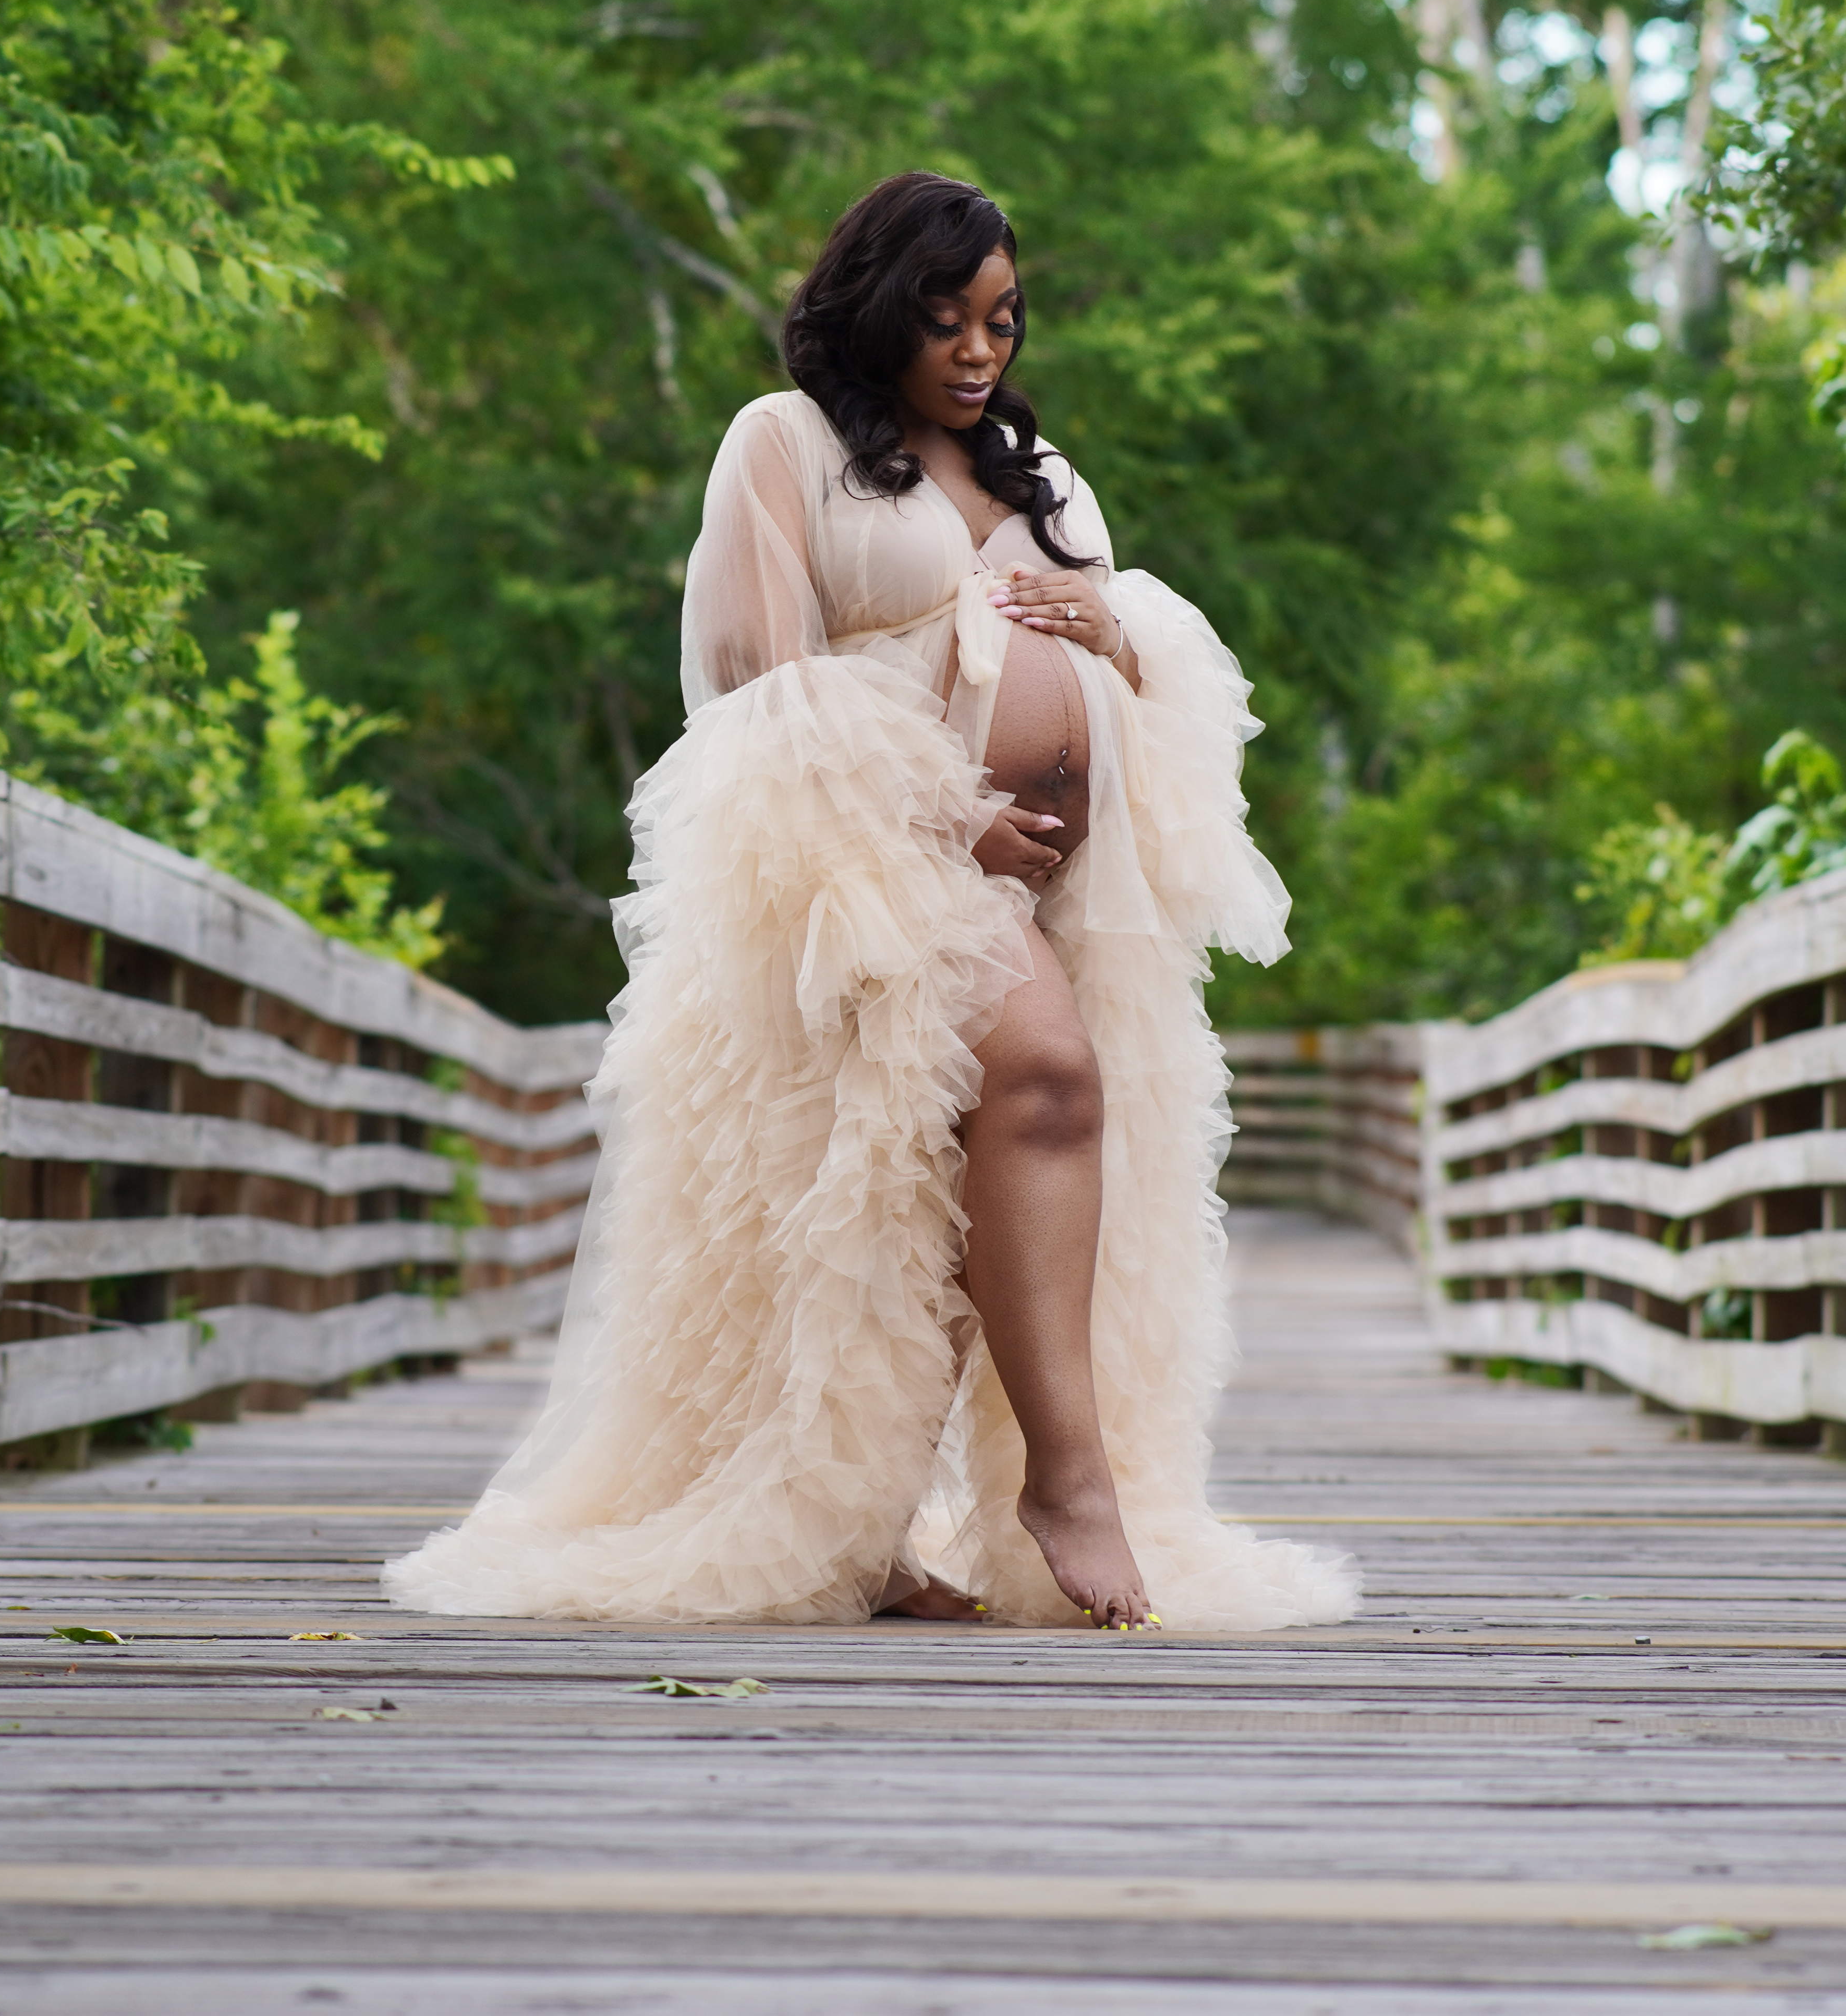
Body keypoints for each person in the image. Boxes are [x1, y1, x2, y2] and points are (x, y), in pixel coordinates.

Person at [387, 173, 1356, 1633]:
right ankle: (1068, 1483)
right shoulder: (781, 446)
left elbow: (1147, 685)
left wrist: (1120, 626)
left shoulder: (1042, 473)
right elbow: (756, 688)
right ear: (875, 304)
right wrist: (945, 818)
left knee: (928, 1204)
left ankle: (889, 1527)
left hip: (1068, 903)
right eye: (947, 318)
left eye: (1003, 321)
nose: (982, 351)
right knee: (1032, 1088)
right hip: (861, 882)